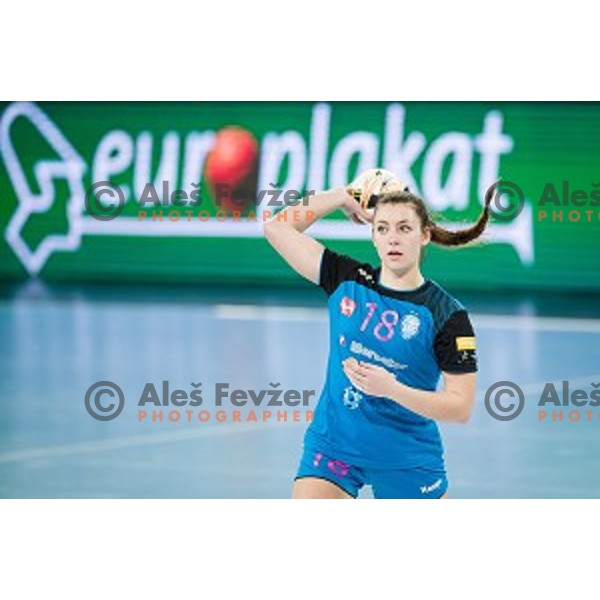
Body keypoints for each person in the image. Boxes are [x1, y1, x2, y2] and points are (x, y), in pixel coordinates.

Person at [263, 173, 490, 499]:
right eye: (382, 228)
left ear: (424, 235)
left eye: (404, 228)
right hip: (335, 446)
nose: (393, 239)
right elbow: (277, 227)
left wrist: (392, 389)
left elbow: (460, 408)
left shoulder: (446, 315)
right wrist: (341, 195)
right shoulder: (346, 279)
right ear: (372, 236)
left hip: (406, 456)